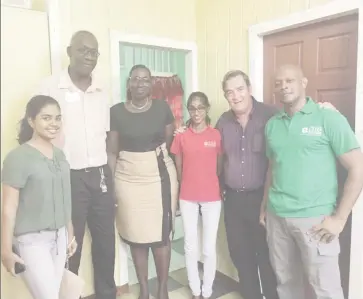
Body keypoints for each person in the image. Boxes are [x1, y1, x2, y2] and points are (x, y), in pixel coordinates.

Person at [261, 64, 363, 299]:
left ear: (304, 83)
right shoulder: (273, 125)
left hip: (315, 221)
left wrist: (339, 218)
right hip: (277, 219)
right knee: (286, 284)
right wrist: (264, 207)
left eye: (290, 81)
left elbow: (358, 167)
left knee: (326, 289)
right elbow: (273, 167)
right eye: (278, 83)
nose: (283, 86)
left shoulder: (328, 118)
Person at [36, 31, 116, 299]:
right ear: (69, 51)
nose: (89, 56)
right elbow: (35, 135)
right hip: (67, 177)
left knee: (106, 244)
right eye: (83, 50)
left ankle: (107, 294)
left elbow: (106, 136)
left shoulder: (103, 90)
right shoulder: (49, 87)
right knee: (70, 246)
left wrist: (110, 177)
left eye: (93, 52)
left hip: (101, 176)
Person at [107, 64, 178, 299]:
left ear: (151, 84)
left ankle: (162, 288)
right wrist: (110, 187)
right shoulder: (116, 112)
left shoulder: (161, 108)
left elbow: (169, 144)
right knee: (136, 237)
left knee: (161, 236)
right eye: (136, 79)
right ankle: (145, 290)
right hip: (127, 179)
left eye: (146, 79)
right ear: (128, 83)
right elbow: (112, 152)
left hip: (158, 176)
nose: (140, 84)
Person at [1, 95, 77, 299]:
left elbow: (64, 195)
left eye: (58, 118)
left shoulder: (59, 155)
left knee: (59, 293)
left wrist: (69, 233)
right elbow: (8, 209)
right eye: (46, 118)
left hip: (60, 237)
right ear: (31, 121)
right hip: (33, 241)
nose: (54, 123)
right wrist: (6, 251)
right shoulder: (17, 158)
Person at [170, 92, 223, 299]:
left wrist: (207, 182)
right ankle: (195, 289)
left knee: (209, 247)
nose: (196, 112)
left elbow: (219, 167)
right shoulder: (181, 136)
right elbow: (179, 167)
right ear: (188, 110)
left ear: (207, 108)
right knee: (190, 246)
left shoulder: (216, 135)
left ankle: (207, 290)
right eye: (192, 108)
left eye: (200, 107)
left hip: (212, 197)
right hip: (188, 197)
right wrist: (187, 188)